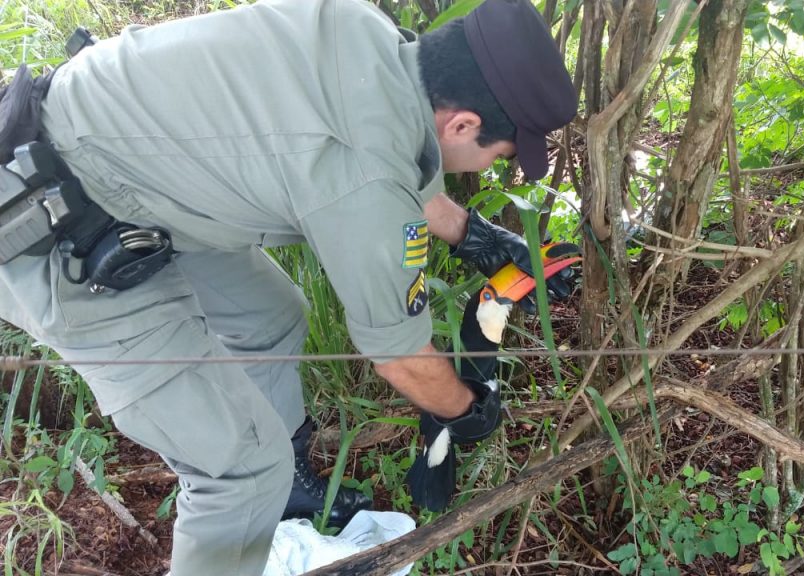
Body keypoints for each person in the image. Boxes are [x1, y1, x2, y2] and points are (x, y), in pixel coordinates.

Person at [0, 0, 576, 574]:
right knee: (241, 473)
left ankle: (285, 494)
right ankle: (259, 494)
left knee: (269, 318)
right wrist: (466, 410)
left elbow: (396, 150)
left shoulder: (364, 31)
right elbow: (400, 356)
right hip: (53, 233)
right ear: (464, 124)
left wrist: (475, 236)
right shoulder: (367, 182)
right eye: (497, 152)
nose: (488, 164)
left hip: (124, 169)